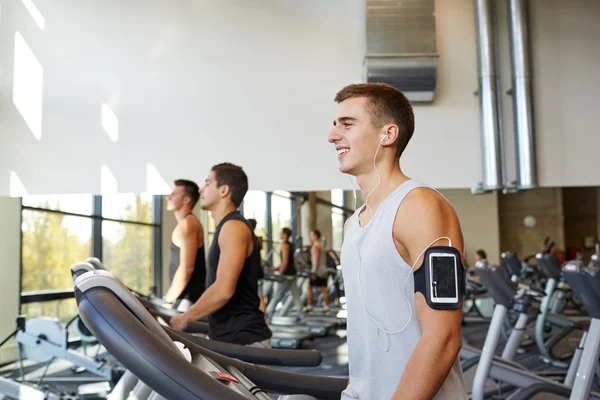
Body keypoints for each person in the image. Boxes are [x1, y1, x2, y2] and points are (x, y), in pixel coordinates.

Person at [328, 83, 466, 399]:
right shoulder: (354, 224)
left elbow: (443, 337)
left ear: (387, 135)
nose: (333, 136)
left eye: (347, 124)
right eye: (335, 125)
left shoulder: (420, 206)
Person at [170, 163, 272, 348]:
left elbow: (223, 290)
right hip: (227, 336)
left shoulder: (233, 227)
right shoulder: (226, 227)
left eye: (207, 183)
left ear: (224, 190)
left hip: (244, 340)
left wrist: (186, 318)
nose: (201, 189)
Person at [163, 179, 206, 312]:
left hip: (187, 300)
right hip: (183, 298)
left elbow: (187, 268)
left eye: (174, 194)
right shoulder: (187, 223)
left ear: (186, 200)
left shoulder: (188, 224)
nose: (168, 197)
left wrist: (168, 299)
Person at [264, 227, 303, 318]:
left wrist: (280, 273)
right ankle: (302, 317)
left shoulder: (285, 245)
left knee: (278, 295)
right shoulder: (290, 244)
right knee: (295, 295)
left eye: (281, 233)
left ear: (285, 234)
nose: (279, 235)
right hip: (292, 273)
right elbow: (288, 261)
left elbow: (285, 261)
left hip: (287, 274)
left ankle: (268, 314)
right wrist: (277, 268)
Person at [305, 229, 330, 311]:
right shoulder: (319, 245)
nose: (310, 236)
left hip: (318, 270)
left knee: (313, 287)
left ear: (315, 236)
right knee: (322, 288)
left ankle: (311, 306)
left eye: (311, 235)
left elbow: (317, 260)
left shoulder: (317, 246)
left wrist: (314, 272)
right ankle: (325, 306)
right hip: (321, 269)